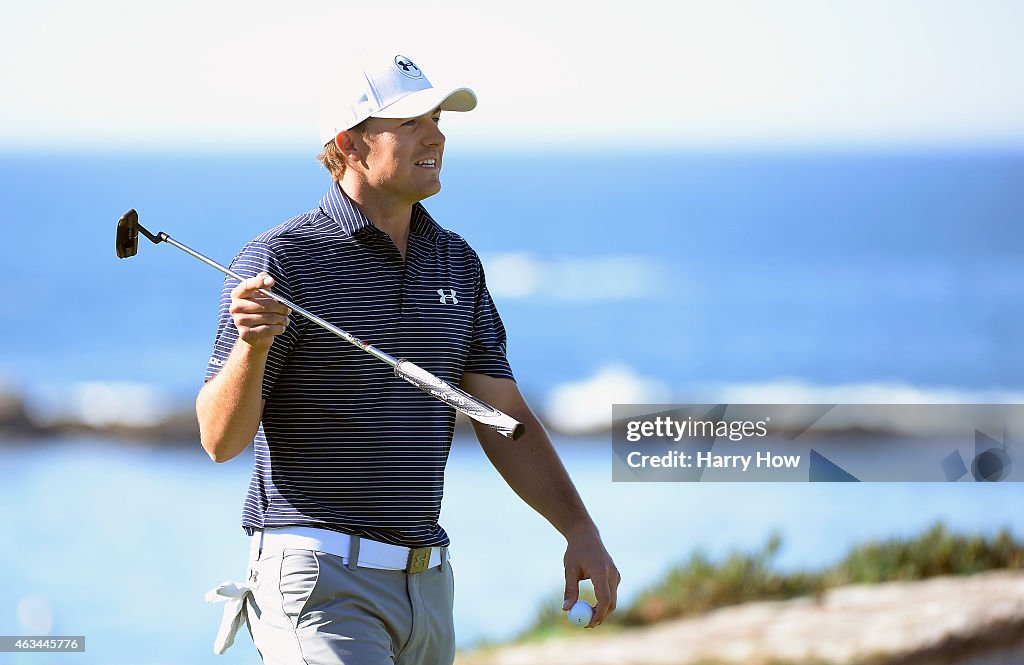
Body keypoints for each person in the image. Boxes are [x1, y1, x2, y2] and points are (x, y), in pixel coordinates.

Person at [197, 51, 620, 664]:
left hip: (428, 590)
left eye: (438, 118)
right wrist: (251, 346)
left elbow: (499, 413)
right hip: (317, 581)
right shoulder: (281, 261)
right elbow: (218, 440)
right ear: (348, 143)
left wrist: (578, 527)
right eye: (412, 122)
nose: (437, 135)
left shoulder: (454, 260)